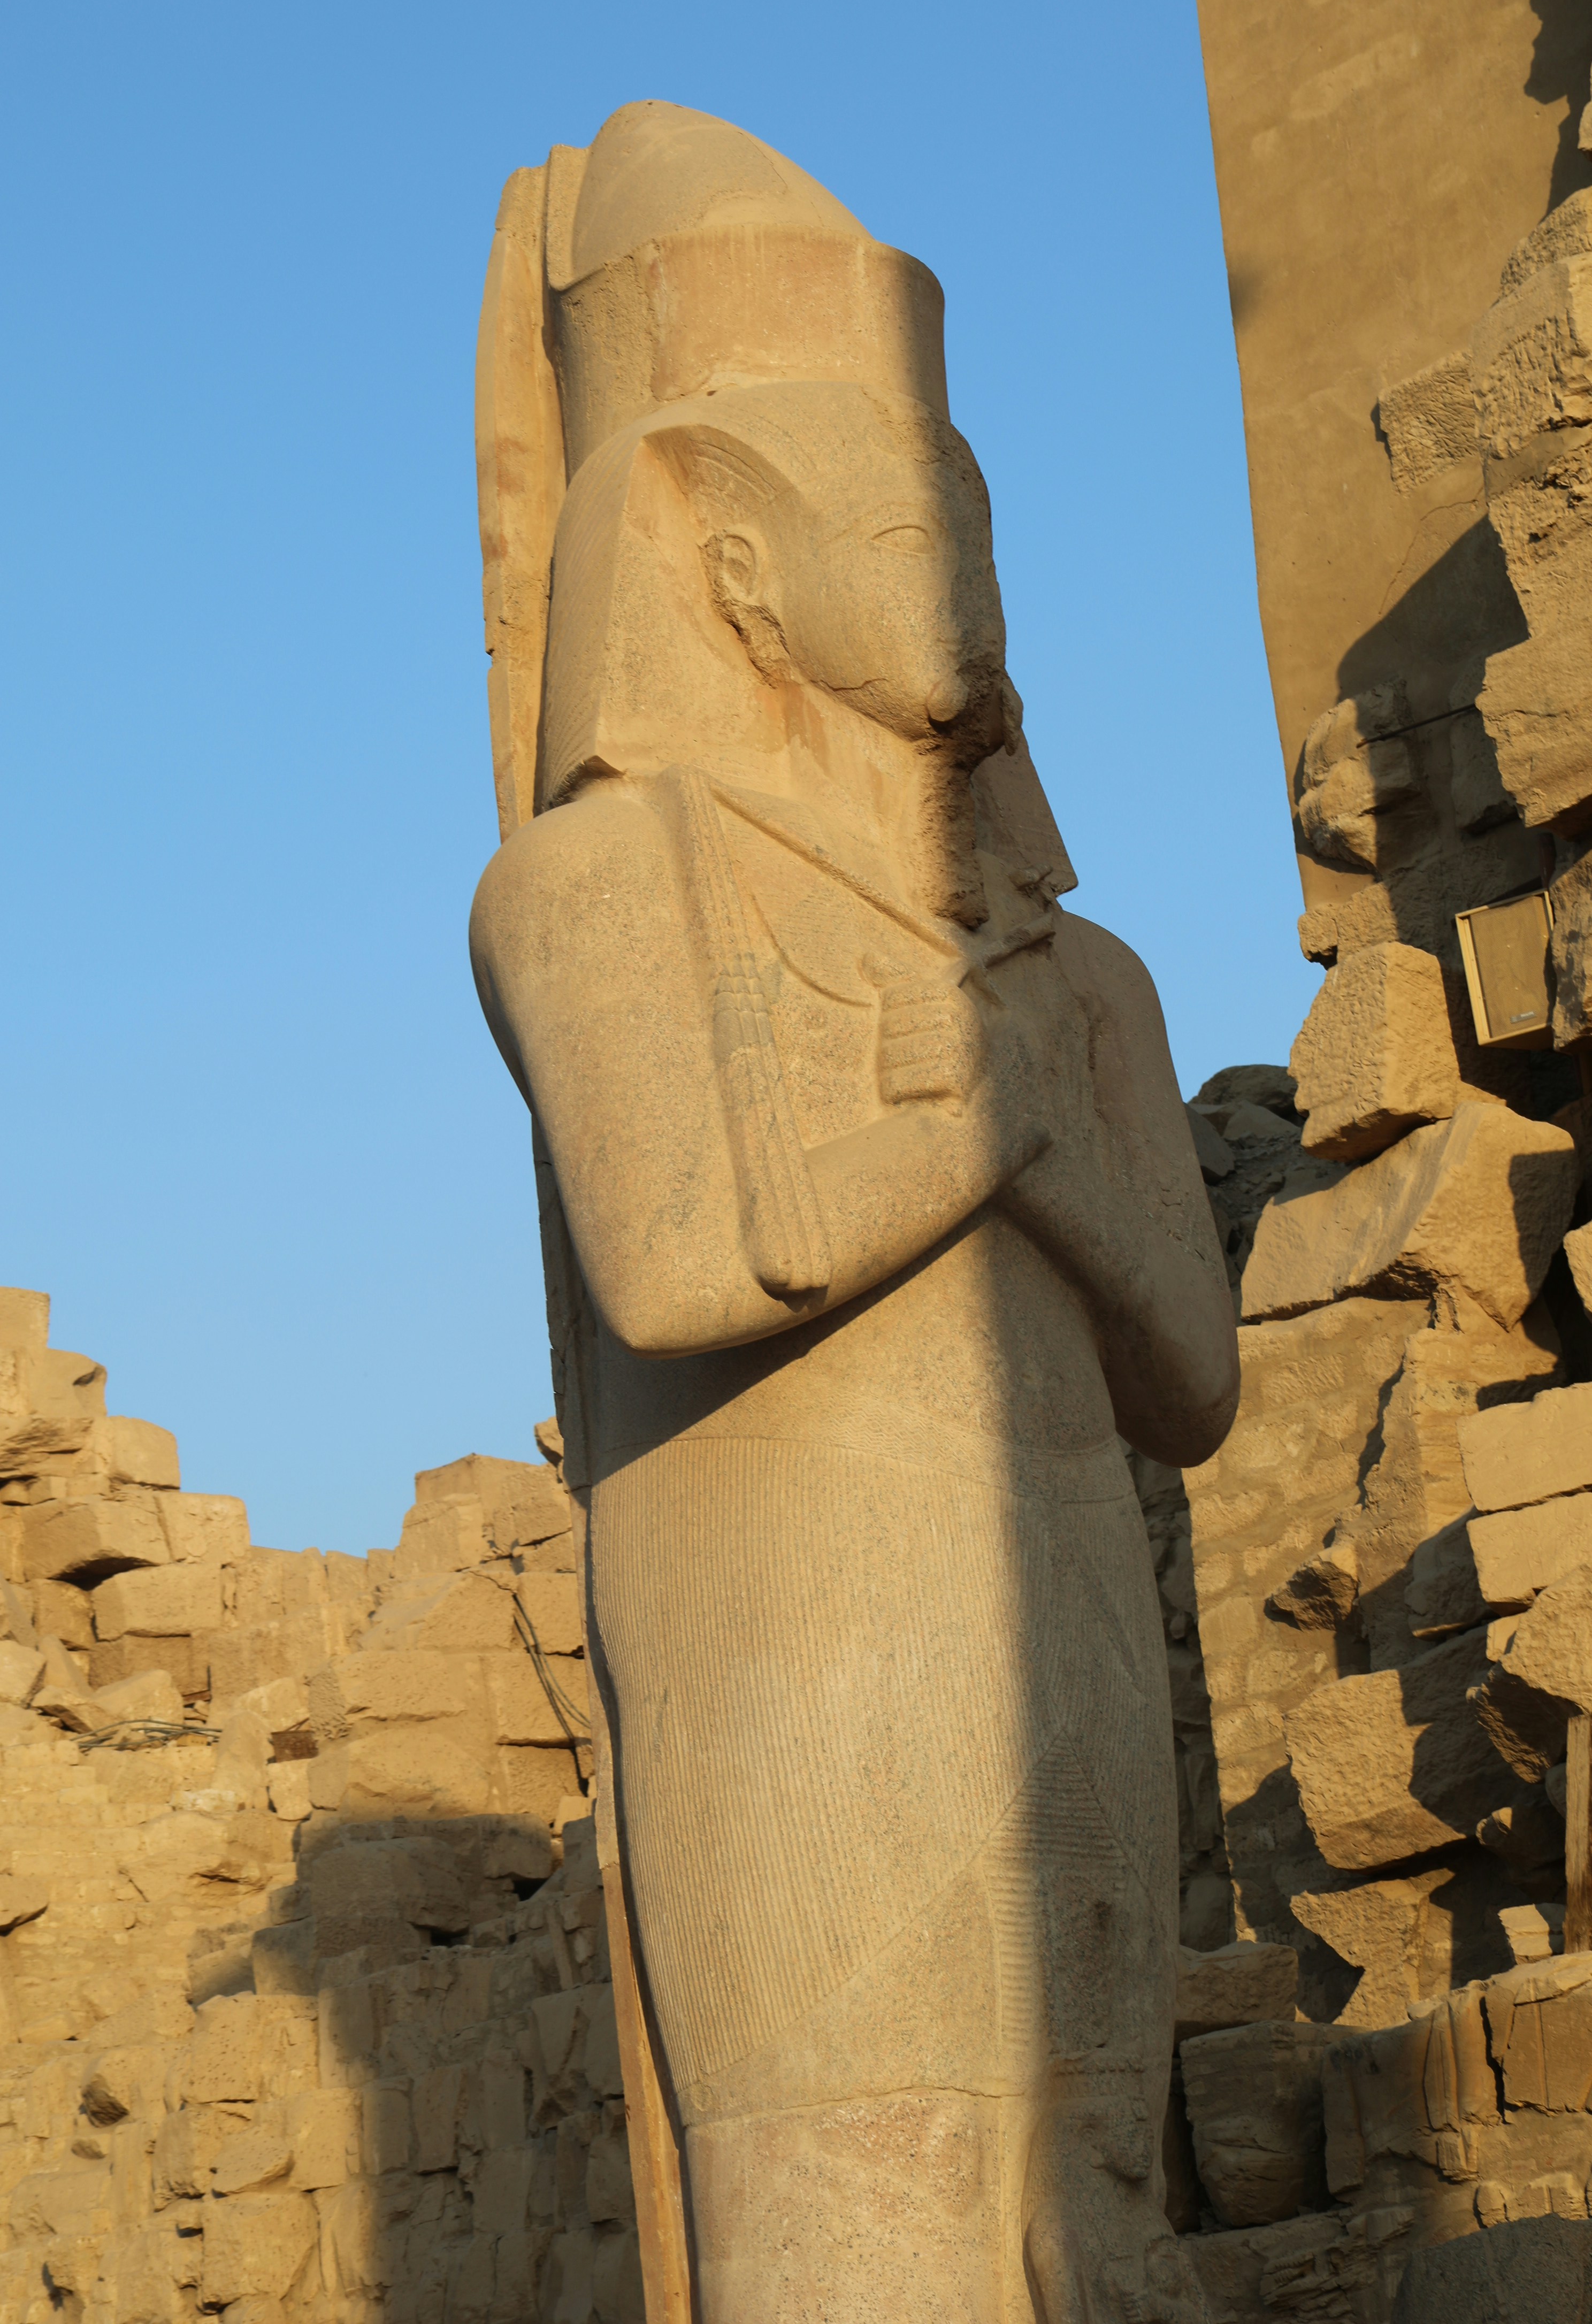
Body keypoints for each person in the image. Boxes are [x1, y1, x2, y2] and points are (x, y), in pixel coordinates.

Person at [471, 371, 1238, 2322]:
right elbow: (673, 1279)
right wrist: (971, 1130)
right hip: (793, 1657)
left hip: (1059, 1620)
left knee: (1099, 2213)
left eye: (970, 531)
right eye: (903, 538)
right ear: (739, 576)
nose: (960, 582)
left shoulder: (1090, 976)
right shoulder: (595, 884)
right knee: (851, 2224)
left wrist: (1024, 1137)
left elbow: (1196, 1384)